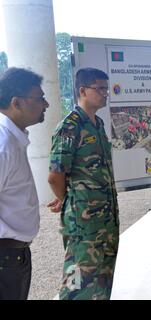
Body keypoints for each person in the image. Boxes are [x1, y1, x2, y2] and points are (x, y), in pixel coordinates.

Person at [47, 68, 119, 300]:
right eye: (100, 89)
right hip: (83, 222)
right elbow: (55, 175)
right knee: (76, 279)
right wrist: (66, 199)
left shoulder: (97, 124)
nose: (105, 93)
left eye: (106, 89)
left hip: (105, 219)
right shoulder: (71, 126)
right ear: (82, 91)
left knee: (102, 277)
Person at [0, 68, 49, 300]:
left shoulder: (13, 139)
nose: (46, 104)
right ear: (16, 103)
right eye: (39, 99)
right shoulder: (3, 145)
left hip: (13, 257)